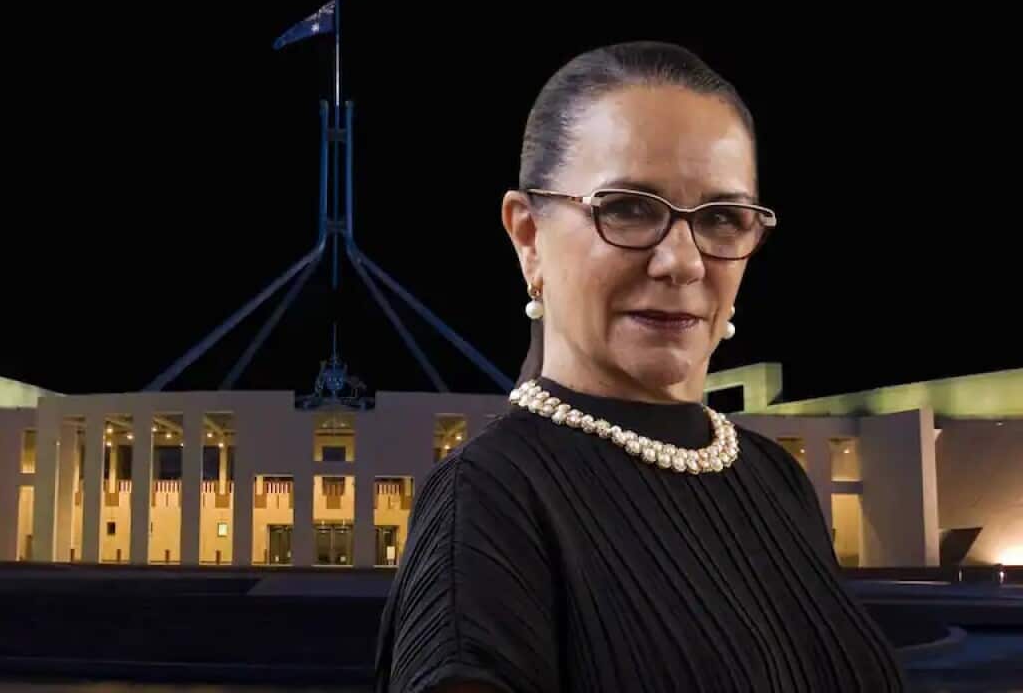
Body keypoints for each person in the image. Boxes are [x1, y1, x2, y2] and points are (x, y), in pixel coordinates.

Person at [373, 42, 908, 692]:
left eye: (721, 218)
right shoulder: (489, 502)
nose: (681, 262)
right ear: (529, 237)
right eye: (627, 208)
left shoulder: (777, 481)